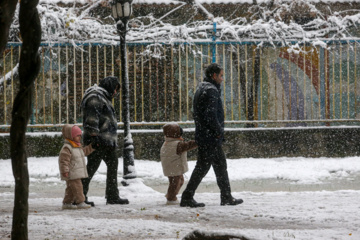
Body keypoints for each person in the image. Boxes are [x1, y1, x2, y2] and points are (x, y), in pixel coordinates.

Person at [180, 63, 243, 208]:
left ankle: (224, 196)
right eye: (221, 75)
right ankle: (188, 196)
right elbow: (210, 116)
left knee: (215, 166)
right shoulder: (211, 91)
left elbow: (202, 114)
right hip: (210, 137)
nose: (222, 79)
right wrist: (218, 131)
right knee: (206, 166)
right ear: (213, 76)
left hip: (205, 135)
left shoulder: (203, 89)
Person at [81, 76, 129, 206]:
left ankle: (112, 196)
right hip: (99, 140)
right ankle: (79, 196)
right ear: (109, 86)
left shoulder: (103, 97)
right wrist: (94, 136)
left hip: (107, 141)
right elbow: (92, 118)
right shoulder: (95, 96)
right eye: (115, 89)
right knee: (91, 168)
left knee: (112, 166)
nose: (115, 93)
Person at [58, 124, 95, 210]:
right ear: (71, 136)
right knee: (78, 187)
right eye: (77, 135)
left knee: (70, 189)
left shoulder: (76, 146)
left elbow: (83, 152)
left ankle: (67, 203)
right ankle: (81, 201)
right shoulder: (67, 147)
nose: (79, 137)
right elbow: (63, 160)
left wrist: (91, 147)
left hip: (75, 172)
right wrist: (65, 170)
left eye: (80, 135)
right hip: (72, 171)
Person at [160, 123, 197, 205]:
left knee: (177, 181)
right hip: (174, 167)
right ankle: (171, 198)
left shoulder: (168, 142)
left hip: (171, 167)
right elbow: (188, 145)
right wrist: (197, 142)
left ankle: (171, 195)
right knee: (175, 183)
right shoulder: (177, 144)